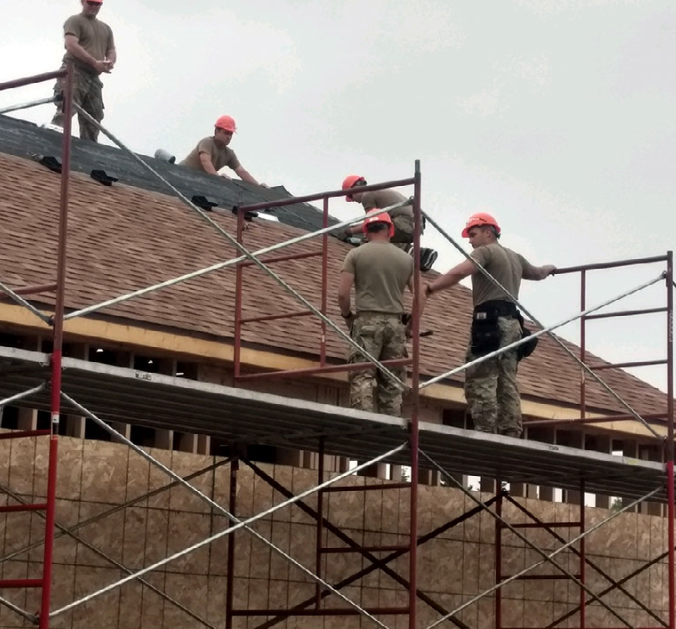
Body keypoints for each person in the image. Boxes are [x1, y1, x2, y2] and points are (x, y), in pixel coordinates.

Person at [420, 212, 556, 438]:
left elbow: (461, 271)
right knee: (506, 378)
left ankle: (485, 430)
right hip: (513, 324)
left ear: (488, 232)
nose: (470, 241)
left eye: (473, 234)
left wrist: (431, 288)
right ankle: (510, 429)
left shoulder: (485, 252)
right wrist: (549, 268)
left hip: (489, 322)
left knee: (481, 374)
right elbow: (538, 273)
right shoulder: (514, 257)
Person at [337, 213, 414, 417]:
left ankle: (363, 423)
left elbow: (342, 294)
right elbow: (420, 297)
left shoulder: (356, 254)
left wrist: (348, 317)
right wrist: (411, 326)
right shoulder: (406, 259)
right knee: (392, 380)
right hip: (395, 324)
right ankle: (391, 427)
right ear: (391, 230)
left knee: (362, 374)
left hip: (367, 322)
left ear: (365, 231)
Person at [50, 0, 116, 142]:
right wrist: (94, 62)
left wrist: (110, 61)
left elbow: (111, 49)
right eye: (91, 3)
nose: (94, 7)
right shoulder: (75, 21)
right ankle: (51, 146)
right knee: (67, 107)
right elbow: (71, 45)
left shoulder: (106, 28)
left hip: (93, 77)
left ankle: (88, 154)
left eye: (97, 4)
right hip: (74, 70)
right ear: (83, 2)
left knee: (94, 117)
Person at [180, 116, 267, 186]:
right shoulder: (207, 142)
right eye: (226, 133)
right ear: (216, 131)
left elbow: (241, 171)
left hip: (197, 181)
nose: (228, 137)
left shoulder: (229, 154)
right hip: (179, 174)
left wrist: (258, 187)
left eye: (231, 134)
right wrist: (218, 179)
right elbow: (205, 161)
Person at [341, 175, 415, 248]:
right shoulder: (374, 191)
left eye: (350, 196)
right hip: (412, 227)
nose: (352, 200)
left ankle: (407, 251)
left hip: (404, 225)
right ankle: (408, 251)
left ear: (355, 188)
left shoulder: (367, 195)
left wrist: (350, 231)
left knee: (371, 238)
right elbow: (372, 220)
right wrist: (355, 226)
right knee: (379, 236)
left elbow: (371, 223)